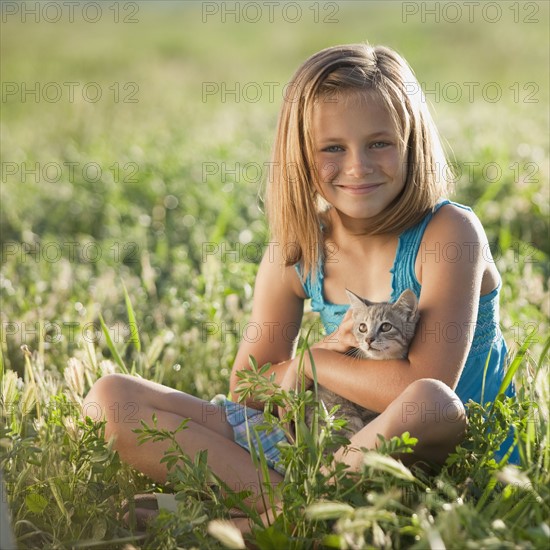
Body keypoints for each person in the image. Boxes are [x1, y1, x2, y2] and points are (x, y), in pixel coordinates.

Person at [83, 43, 517, 525]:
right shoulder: (296, 250)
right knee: (111, 397)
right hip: (326, 452)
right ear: (300, 157)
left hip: (429, 453)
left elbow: (417, 385)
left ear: (411, 143)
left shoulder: (448, 233)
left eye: (380, 143)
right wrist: (313, 367)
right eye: (333, 148)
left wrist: (314, 361)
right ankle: (287, 515)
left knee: (430, 402)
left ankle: (269, 517)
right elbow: (249, 390)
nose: (357, 166)